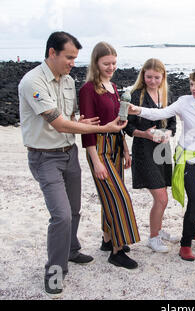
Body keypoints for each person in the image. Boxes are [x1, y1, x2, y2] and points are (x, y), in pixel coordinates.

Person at [18, 32, 127, 297]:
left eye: (76, 58)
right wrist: (102, 129)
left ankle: (71, 249)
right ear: (52, 53)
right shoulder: (32, 81)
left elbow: (73, 117)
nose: (73, 63)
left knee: (75, 210)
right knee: (62, 215)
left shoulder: (67, 81)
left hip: (70, 153)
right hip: (45, 157)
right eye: (69, 57)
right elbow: (57, 121)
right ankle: (55, 271)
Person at [130, 68, 195, 261]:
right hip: (186, 159)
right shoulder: (184, 102)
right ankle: (185, 244)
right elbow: (160, 113)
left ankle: (192, 229)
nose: (193, 88)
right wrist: (138, 110)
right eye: (191, 84)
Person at [79, 42, 141, 270]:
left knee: (109, 198)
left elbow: (119, 123)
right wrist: (95, 161)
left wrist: (125, 149)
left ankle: (107, 240)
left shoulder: (114, 87)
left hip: (116, 145)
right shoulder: (88, 89)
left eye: (114, 63)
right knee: (119, 197)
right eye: (106, 63)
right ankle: (117, 251)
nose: (111, 67)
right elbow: (87, 130)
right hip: (99, 147)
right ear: (96, 62)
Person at [124, 58, 178, 253]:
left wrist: (168, 133)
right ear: (143, 75)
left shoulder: (166, 95)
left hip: (163, 149)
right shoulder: (135, 95)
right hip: (144, 150)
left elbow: (173, 123)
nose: (153, 81)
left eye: (157, 77)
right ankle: (153, 238)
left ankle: (158, 229)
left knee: (162, 196)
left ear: (163, 77)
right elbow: (127, 127)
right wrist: (145, 134)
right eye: (149, 77)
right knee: (161, 197)